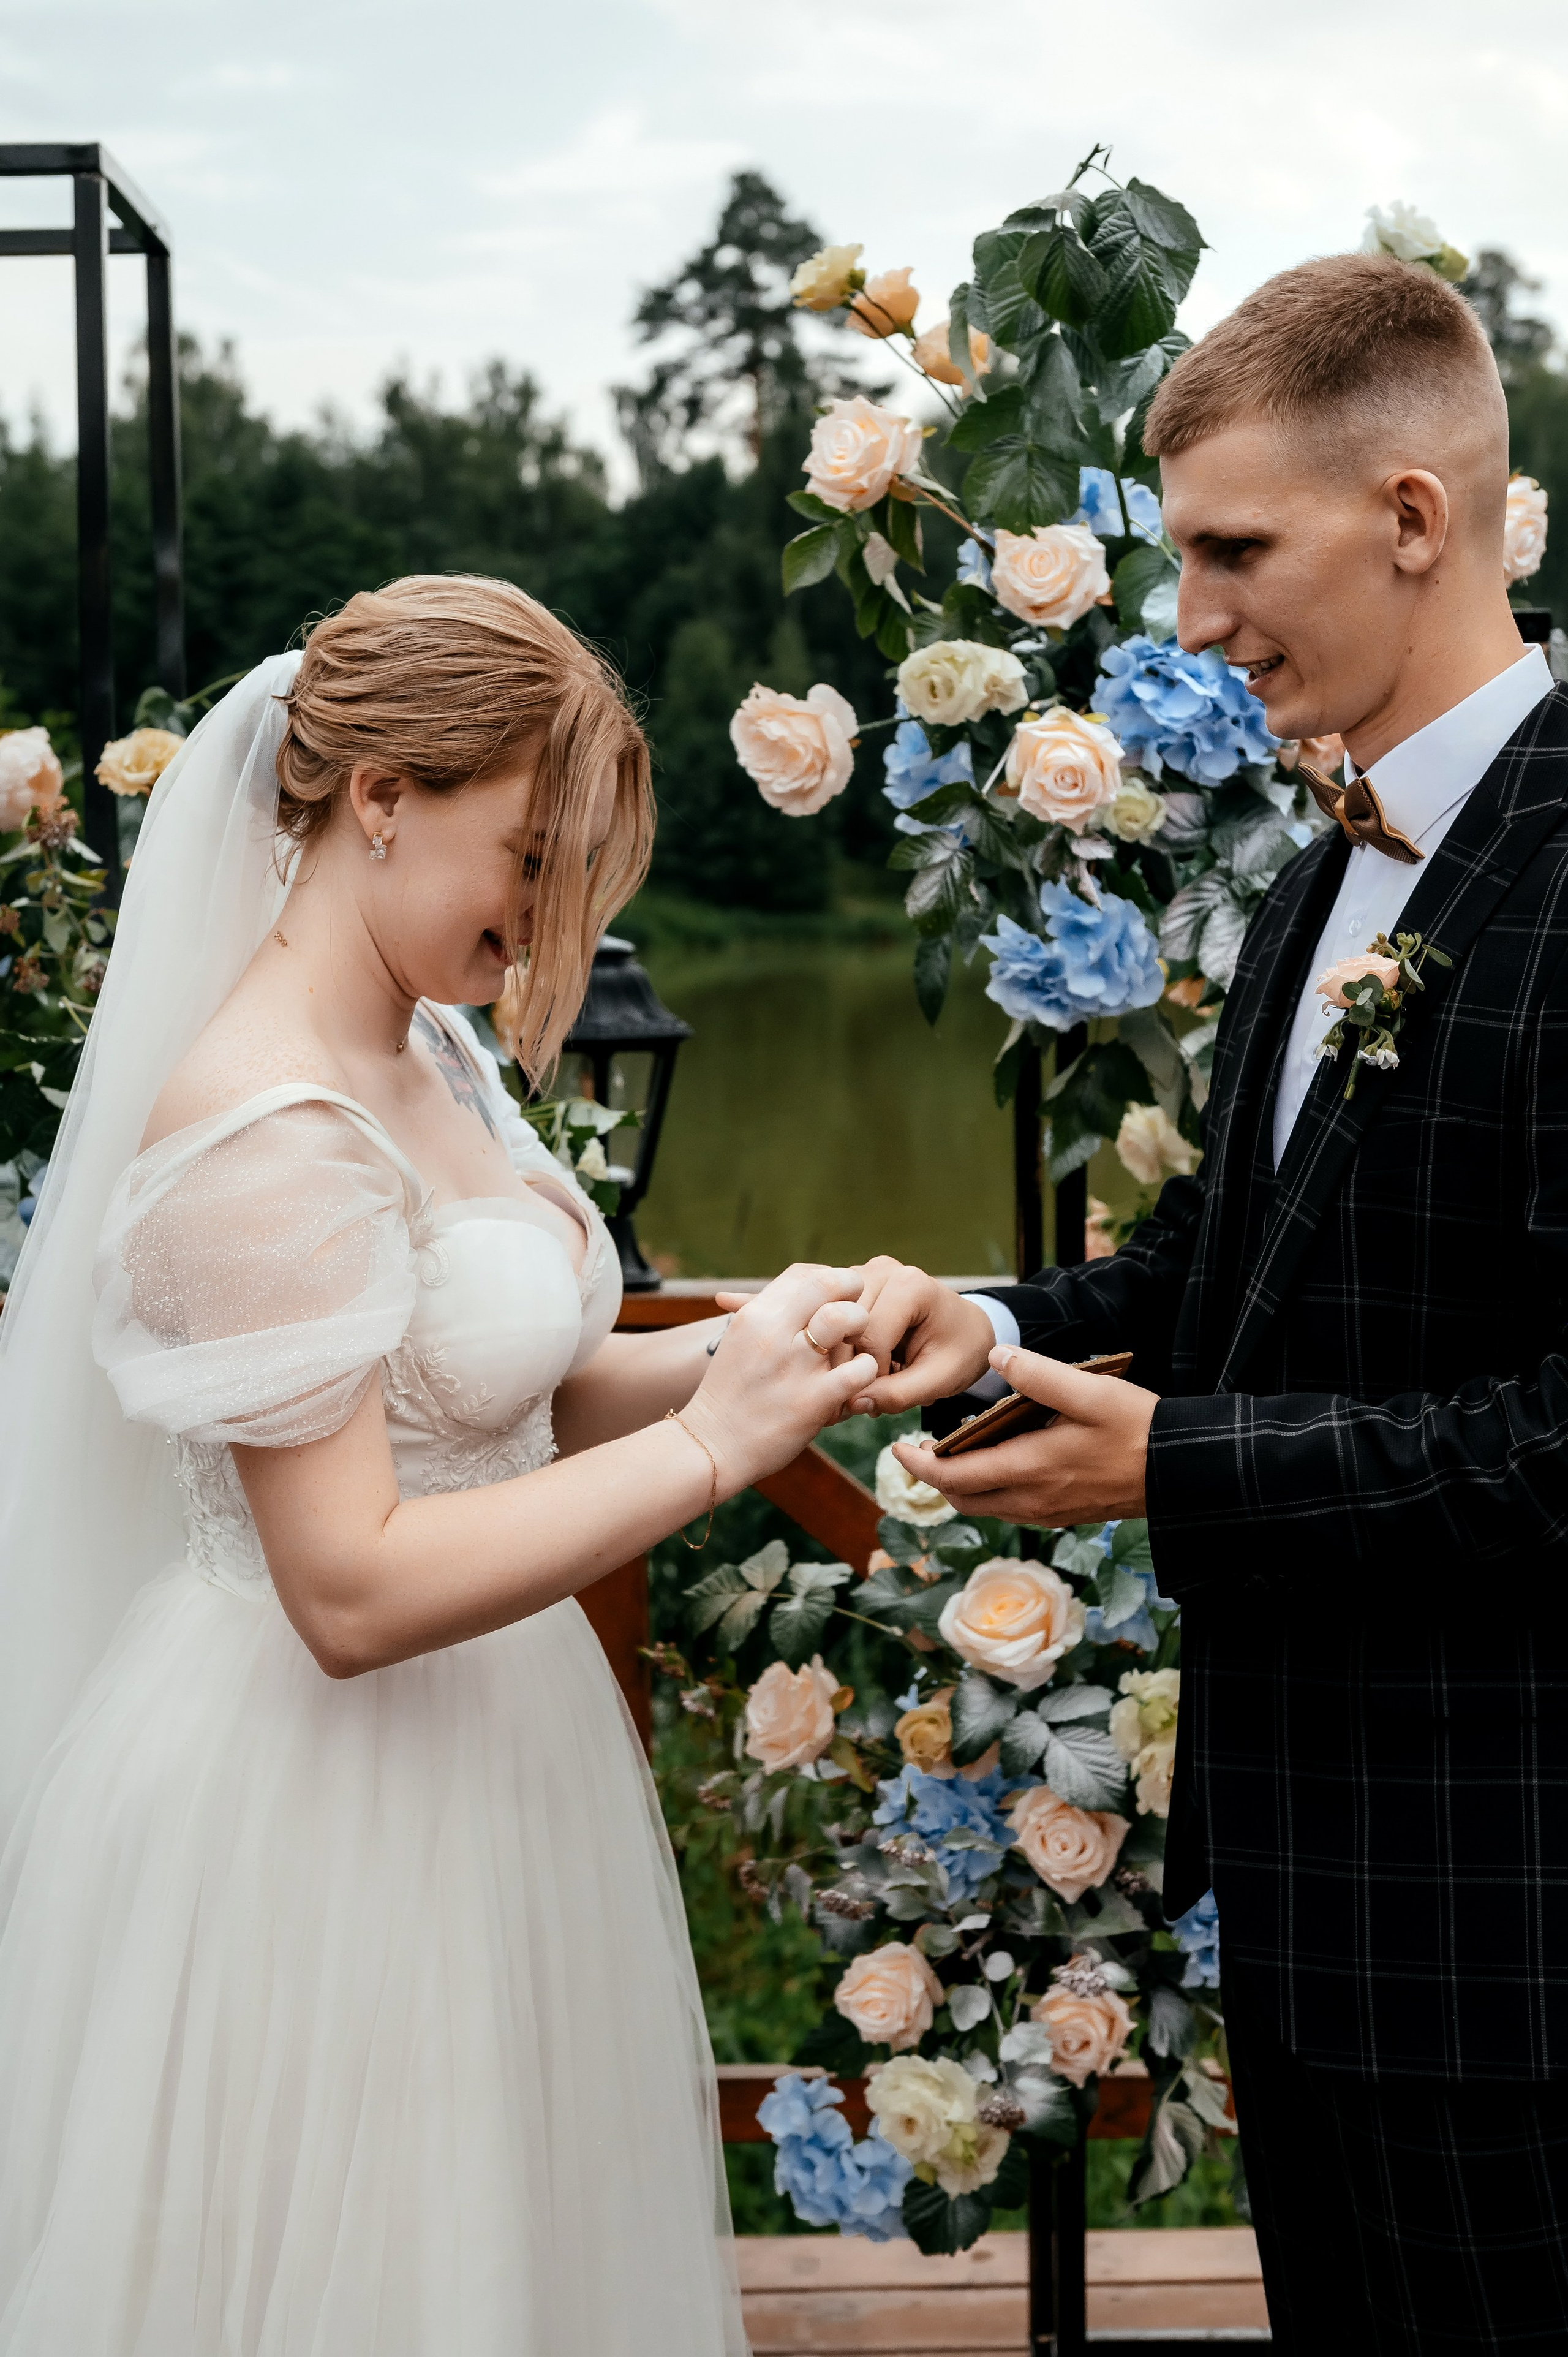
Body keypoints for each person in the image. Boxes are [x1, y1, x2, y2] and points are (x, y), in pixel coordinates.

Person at [0, 577, 876, 2355]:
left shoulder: (432, 1044)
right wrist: (721, 1444)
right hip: (319, 1814)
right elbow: (348, 1584)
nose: (547, 917)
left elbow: (512, 1395)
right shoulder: (261, 1128)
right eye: (530, 858)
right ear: (381, 796)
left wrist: (783, 1344)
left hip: (508, 1759)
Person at [844, 254, 1568, 2351]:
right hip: (1323, 1914)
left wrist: (1180, 1464)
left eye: (1236, 550)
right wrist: (982, 1326)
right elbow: (1217, 1278)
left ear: (1416, 521)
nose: (1185, 618)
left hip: (1518, 1943)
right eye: (1177, 558)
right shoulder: (1321, 861)